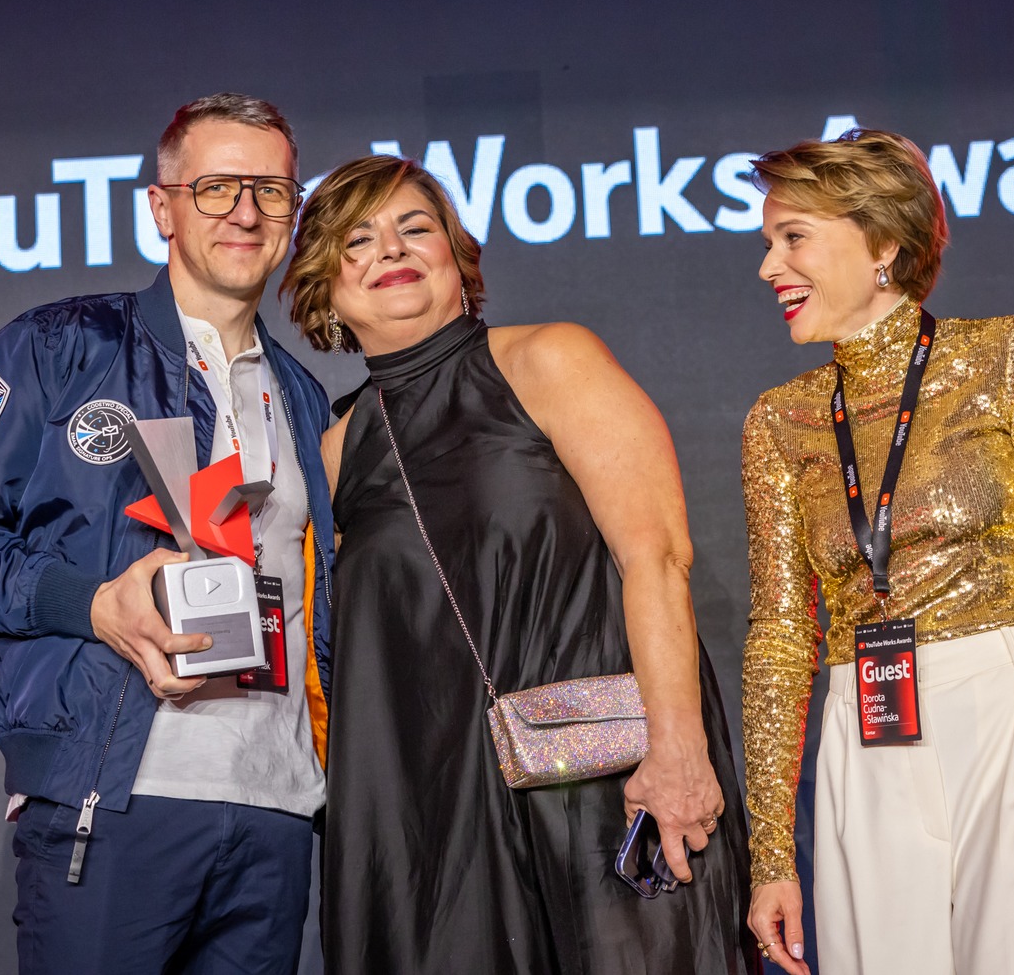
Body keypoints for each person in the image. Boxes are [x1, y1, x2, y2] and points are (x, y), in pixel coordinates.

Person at [0, 93, 335, 975]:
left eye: (272, 191)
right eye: (217, 188)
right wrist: (89, 603)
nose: (246, 212)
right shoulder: (61, 347)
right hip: (117, 795)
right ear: (162, 207)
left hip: (275, 809)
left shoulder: (304, 397)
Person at [283, 154, 755, 975]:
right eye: (357, 240)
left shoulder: (547, 358)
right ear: (325, 289)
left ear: (456, 255)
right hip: (439, 821)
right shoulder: (334, 450)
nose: (391, 248)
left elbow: (656, 556)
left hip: (600, 785)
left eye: (414, 227)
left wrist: (678, 751)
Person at [740, 130, 1014, 975]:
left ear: (883, 243)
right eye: (768, 243)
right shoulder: (779, 420)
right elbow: (780, 638)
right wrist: (770, 855)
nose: (769, 267)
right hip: (864, 732)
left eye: (793, 237)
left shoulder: (1003, 354)